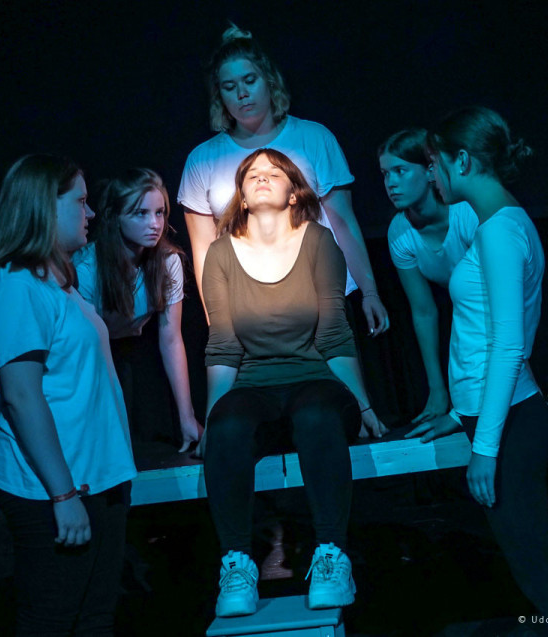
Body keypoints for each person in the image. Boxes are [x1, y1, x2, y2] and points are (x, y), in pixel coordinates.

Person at [407, 108, 548, 635]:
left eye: (435, 163)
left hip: (509, 425)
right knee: (535, 579)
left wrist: (485, 448)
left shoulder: (499, 232)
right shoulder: (500, 225)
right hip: (498, 416)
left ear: (462, 161)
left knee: (542, 581)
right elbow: (488, 334)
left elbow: (510, 346)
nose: (432, 175)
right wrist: (459, 413)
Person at [202, 148, 386, 617]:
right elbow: (222, 345)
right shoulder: (221, 253)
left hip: (314, 380)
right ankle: (237, 564)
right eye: (252, 174)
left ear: (293, 192)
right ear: (242, 197)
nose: (262, 177)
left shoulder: (319, 241)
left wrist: (363, 406)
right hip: (254, 388)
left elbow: (334, 334)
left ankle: (331, 555)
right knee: (227, 425)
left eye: (274, 172)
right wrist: (211, 423)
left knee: (317, 414)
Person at [0, 154, 137, 636]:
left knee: (93, 618)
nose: (91, 213)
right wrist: (62, 494)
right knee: (52, 621)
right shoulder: (15, 288)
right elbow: (21, 396)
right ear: (45, 206)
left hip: (95, 479)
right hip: (53, 488)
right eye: (80, 202)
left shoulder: (58, 285)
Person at [178, 24, 389, 337]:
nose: (242, 93)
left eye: (250, 80)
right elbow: (205, 252)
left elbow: (343, 223)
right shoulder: (202, 160)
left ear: (269, 79)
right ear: (219, 94)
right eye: (229, 86)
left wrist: (370, 292)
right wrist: (218, 325)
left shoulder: (312, 138)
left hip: (322, 299)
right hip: (249, 312)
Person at [73, 168, 202, 453]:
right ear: (115, 216)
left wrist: (187, 417)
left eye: (160, 213)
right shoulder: (87, 268)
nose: (154, 224)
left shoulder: (168, 262)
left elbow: (171, 338)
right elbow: (87, 345)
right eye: (140, 214)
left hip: (138, 347)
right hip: (92, 355)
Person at [380, 128, 477, 425]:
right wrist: (437, 389)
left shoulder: (466, 213)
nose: (391, 183)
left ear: (430, 171)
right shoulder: (400, 231)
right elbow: (423, 311)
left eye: (401, 171)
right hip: (461, 306)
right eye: (385, 174)